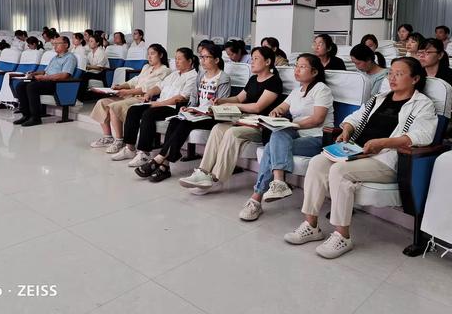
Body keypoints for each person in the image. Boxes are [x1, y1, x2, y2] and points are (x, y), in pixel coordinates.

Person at [284, 57, 437, 259]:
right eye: (391, 73)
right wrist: (346, 129)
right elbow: (355, 117)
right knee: (318, 162)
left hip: (386, 158)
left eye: (399, 74)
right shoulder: (380, 98)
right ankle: (311, 225)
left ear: (415, 78)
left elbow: (422, 136)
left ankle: (342, 235)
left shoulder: (422, 105)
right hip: (355, 150)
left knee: (339, 171)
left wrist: (382, 143)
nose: (392, 78)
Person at [239, 54, 333, 221]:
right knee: (277, 133)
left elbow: (317, 119)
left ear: (314, 72)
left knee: (270, 147)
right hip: (296, 134)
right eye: (296, 66)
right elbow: (282, 107)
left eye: (302, 67)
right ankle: (278, 184)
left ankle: (257, 198)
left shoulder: (321, 89)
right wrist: (277, 112)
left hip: (317, 138)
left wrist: (293, 125)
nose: (297, 70)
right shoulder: (297, 91)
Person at [179, 46, 283, 193]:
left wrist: (232, 104)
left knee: (231, 133)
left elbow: (258, 108)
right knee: (217, 128)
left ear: (267, 62)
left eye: (256, 59)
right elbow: (239, 98)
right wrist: (222, 100)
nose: (251, 62)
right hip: (245, 120)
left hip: (260, 125)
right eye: (251, 58)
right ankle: (202, 172)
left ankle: (215, 179)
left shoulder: (274, 82)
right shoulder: (253, 79)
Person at [134, 44, 231, 182]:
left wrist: (201, 111)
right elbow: (194, 98)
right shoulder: (201, 76)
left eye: (206, 57)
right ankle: (164, 166)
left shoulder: (223, 78)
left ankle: (160, 159)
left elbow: (221, 104)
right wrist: (189, 107)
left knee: (185, 123)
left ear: (216, 60)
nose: (202, 60)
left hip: (211, 116)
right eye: (201, 57)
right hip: (197, 113)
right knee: (176, 120)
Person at [119, 48, 199, 170]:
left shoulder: (193, 77)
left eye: (179, 59)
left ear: (189, 61)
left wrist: (158, 104)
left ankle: (144, 153)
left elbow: (181, 97)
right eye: (175, 59)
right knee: (133, 110)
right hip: (160, 103)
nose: (176, 62)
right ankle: (129, 148)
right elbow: (158, 87)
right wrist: (149, 94)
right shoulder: (174, 74)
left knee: (148, 113)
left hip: (173, 107)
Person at [89, 44, 171, 153]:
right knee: (102, 102)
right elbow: (135, 81)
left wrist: (126, 92)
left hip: (143, 98)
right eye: (148, 54)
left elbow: (146, 88)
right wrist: (120, 86)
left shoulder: (165, 70)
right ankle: (108, 137)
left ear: (160, 55)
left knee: (114, 106)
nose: (149, 57)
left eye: (152, 54)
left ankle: (119, 140)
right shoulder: (146, 67)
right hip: (131, 95)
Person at [13, 36, 77, 127]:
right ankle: (26, 115)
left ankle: (35, 118)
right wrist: (35, 73)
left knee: (31, 86)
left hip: (55, 83)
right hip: (44, 80)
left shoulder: (70, 58)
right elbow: (45, 71)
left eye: (57, 44)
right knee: (21, 85)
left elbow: (64, 75)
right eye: (54, 44)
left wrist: (44, 78)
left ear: (66, 45)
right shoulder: (55, 57)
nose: (54, 46)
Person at [78, 34, 109, 100]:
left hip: (101, 74)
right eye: (89, 41)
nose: (89, 43)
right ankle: (78, 94)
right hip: (93, 72)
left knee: (86, 75)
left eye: (91, 41)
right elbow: (87, 64)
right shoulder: (90, 53)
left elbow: (99, 67)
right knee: (81, 73)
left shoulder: (101, 52)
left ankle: (80, 97)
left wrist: (88, 67)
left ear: (97, 43)